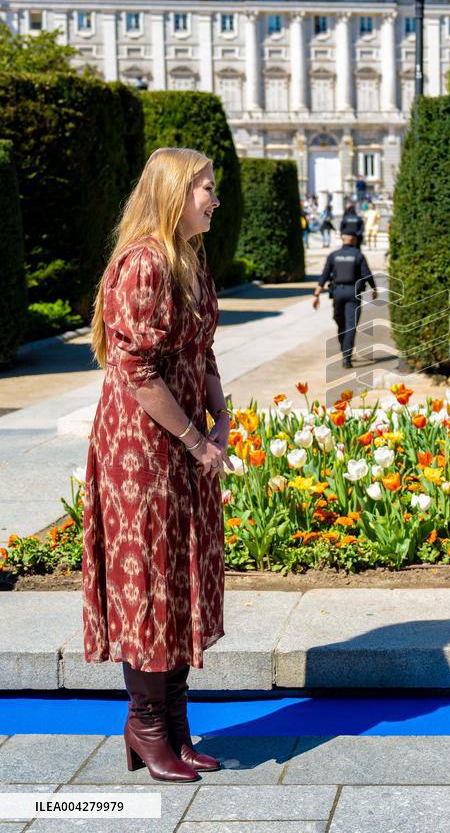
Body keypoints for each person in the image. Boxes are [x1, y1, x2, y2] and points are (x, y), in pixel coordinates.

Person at [84, 147, 232, 782]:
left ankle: (172, 726)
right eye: (205, 188)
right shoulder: (145, 263)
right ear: (175, 194)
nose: (214, 199)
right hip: (141, 448)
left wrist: (220, 418)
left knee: (177, 574)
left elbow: (202, 353)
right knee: (148, 576)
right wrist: (198, 442)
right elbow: (137, 371)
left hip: (179, 439)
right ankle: (146, 726)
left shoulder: (190, 261)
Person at [313, 232, 378, 367]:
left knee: (340, 321)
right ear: (353, 240)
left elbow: (325, 274)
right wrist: (374, 289)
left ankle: (345, 349)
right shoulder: (358, 255)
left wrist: (317, 294)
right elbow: (367, 274)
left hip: (337, 292)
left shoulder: (333, 255)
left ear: (342, 240)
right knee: (350, 325)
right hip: (353, 292)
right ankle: (346, 357)